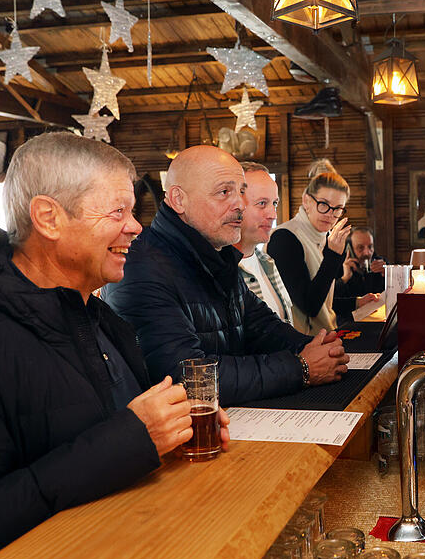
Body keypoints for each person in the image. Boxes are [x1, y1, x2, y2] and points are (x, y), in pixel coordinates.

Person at [0, 132, 231, 559]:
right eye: (118, 210)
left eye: (134, 212)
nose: (137, 226)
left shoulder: (92, 314)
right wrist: (131, 441)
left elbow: (98, 446)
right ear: (49, 218)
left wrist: (167, 434)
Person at [103, 146, 349, 405]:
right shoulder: (140, 265)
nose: (240, 204)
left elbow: (262, 327)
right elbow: (186, 377)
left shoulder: (216, 255)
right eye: (224, 192)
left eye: (242, 191)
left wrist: (321, 347)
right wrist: (302, 368)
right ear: (178, 199)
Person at [268, 165, 352, 334]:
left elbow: (325, 299)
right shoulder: (284, 238)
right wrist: (333, 256)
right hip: (300, 343)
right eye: (324, 204)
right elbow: (309, 305)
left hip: (328, 334)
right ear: (306, 201)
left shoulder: (327, 237)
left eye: (338, 209)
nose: (330, 214)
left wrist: (356, 302)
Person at [233, 161, 294, 325]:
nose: (273, 215)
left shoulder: (267, 262)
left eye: (274, 203)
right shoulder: (220, 272)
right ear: (234, 205)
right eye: (262, 203)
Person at [334, 226, 384, 325]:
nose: (367, 253)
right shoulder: (337, 267)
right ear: (350, 249)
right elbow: (329, 302)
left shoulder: (381, 264)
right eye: (360, 247)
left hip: (377, 320)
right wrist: (344, 278)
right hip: (349, 323)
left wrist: (387, 274)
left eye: (370, 247)